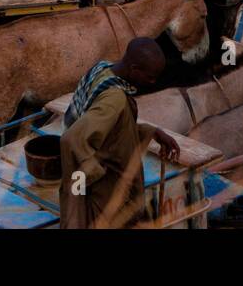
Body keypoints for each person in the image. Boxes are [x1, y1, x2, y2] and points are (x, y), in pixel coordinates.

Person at [58, 38, 180, 229]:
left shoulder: (104, 68)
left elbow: (114, 131)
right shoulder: (115, 99)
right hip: (107, 193)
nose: (153, 82)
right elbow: (71, 139)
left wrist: (152, 132)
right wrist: (93, 172)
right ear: (134, 69)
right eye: (150, 77)